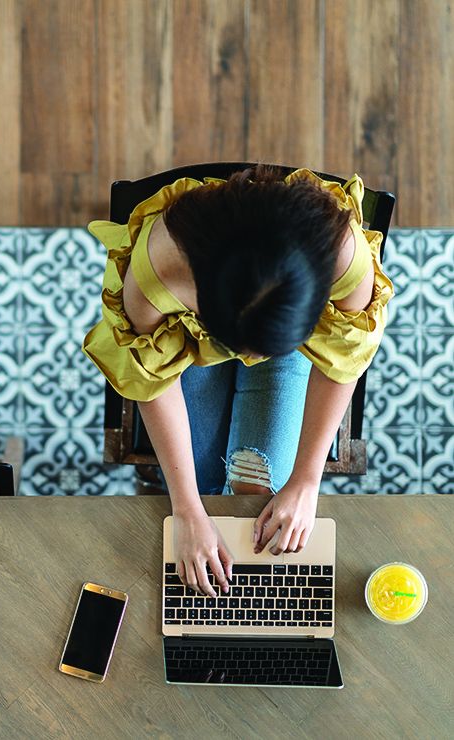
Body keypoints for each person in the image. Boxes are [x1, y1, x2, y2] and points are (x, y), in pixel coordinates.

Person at [82, 164, 394, 599]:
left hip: (287, 338)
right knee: (205, 488)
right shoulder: (160, 271)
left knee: (254, 490)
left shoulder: (340, 254)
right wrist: (187, 509)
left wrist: (306, 479)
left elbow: (341, 361)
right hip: (188, 344)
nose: (250, 361)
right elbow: (154, 379)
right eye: (244, 349)